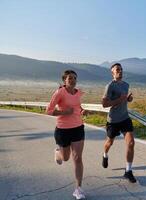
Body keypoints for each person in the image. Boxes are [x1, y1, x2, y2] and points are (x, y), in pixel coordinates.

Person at [46, 70, 86, 199]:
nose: (72, 80)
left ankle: (78, 189)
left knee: (78, 158)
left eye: (74, 78)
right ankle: (58, 152)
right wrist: (64, 112)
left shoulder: (78, 92)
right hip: (63, 130)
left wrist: (82, 110)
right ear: (64, 80)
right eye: (69, 78)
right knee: (66, 158)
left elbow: (78, 107)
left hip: (78, 128)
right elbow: (49, 111)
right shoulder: (59, 93)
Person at [101, 63, 136, 183]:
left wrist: (128, 99)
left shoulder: (126, 85)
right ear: (113, 73)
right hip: (113, 121)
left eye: (121, 69)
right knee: (109, 142)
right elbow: (104, 104)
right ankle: (105, 154)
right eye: (117, 70)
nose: (120, 71)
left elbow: (124, 100)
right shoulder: (109, 86)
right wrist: (119, 100)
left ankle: (128, 171)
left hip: (125, 118)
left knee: (131, 143)